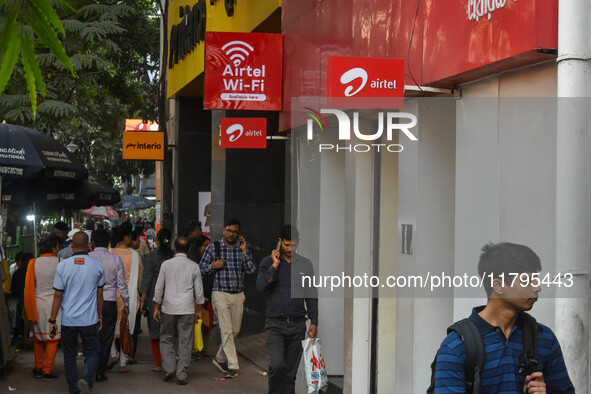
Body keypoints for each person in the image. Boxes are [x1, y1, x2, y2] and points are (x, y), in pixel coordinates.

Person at [433, 242, 575, 393]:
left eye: (535, 279)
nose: (537, 287)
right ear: (498, 286)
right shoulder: (456, 346)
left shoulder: (544, 338)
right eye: (527, 280)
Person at [256, 225, 318, 394]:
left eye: (294, 245)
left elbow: (311, 293)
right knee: (277, 366)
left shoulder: (305, 264)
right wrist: (274, 266)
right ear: (279, 242)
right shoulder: (268, 262)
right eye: (286, 245)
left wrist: (314, 321)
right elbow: (261, 287)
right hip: (275, 324)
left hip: (297, 325)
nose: (290, 249)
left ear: (299, 243)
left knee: (290, 373)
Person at [48, 231, 105, 394]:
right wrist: (99, 315)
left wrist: (52, 320)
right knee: (93, 352)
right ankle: (86, 379)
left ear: (71, 245)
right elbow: (100, 294)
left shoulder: (62, 265)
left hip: (69, 320)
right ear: (89, 245)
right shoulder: (97, 265)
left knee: (69, 355)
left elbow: (58, 294)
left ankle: (74, 389)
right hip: (89, 319)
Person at [199, 219, 256, 378]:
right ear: (224, 230)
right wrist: (213, 266)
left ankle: (220, 357)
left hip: (238, 294)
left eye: (235, 232)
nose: (232, 234)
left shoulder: (242, 249)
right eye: (229, 231)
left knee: (235, 330)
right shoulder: (213, 247)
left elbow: (251, 269)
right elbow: (200, 269)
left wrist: (244, 252)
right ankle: (233, 366)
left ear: (239, 233)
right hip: (220, 293)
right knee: (226, 330)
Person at [153, 236, 205, 385]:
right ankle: (181, 374)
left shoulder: (166, 265)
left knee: (166, 337)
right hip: (187, 308)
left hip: (168, 307)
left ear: (174, 249)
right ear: (189, 250)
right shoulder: (194, 266)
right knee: (185, 341)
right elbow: (199, 292)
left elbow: (159, 288)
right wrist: (199, 310)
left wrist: (156, 307)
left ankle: (169, 367)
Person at [89, 229, 130, 382]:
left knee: (91, 336)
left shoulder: (88, 258)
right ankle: (100, 371)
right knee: (106, 339)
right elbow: (122, 284)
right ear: (108, 243)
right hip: (110, 302)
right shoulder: (115, 259)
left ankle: (90, 368)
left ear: (92, 242)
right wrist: (126, 303)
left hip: (91, 303)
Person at [23, 235, 62, 380]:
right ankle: (47, 369)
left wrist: (26, 309)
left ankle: (38, 366)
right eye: (58, 246)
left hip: (36, 304)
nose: (60, 249)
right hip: (55, 304)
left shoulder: (34, 262)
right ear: (54, 247)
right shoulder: (60, 262)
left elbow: (28, 288)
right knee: (53, 337)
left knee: (38, 337)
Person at [140, 228, 174, 372]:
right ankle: (170, 361)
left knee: (155, 331)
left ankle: (159, 362)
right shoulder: (174, 256)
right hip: (172, 295)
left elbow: (146, 279)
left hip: (155, 296)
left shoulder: (152, 256)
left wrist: (143, 299)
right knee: (169, 331)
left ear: (158, 241)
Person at [110, 222, 143, 371]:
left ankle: (112, 353)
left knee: (110, 326)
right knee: (126, 328)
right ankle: (123, 363)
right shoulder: (135, 255)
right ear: (127, 237)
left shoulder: (110, 253)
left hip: (111, 294)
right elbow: (140, 277)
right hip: (129, 295)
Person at [11, 251, 33, 347]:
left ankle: (20, 334)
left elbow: (13, 290)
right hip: (35, 299)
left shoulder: (16, 273)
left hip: (23, 299)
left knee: (20, 313)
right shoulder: (35, 270)